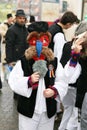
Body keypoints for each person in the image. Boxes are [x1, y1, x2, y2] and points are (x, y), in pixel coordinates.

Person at [8, 21, 81, 130]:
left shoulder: (53, 62)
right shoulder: (23, 62)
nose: (39, 45)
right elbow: (14, 81)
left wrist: (55, 90)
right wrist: (28, 81)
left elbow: (64, 79)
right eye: (35, 40)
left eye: (43, 40)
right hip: (28, 111)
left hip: (47, 111)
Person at [59, 21, 87, 130]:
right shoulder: (77, 48)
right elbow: (69, 71)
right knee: (74, 115)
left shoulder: (69, 45)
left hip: (73, 87)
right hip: (74, 87)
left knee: (70, 113)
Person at [5, 9, 29, 99]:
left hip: (24, 57)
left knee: (23, 77)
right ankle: (17, 95)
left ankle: (21, 94)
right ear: (16, 18)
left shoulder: (25, 29)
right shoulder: (11, 30)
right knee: (17, 77)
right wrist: (9, 60)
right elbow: (8, 46)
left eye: (23, 18)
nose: (22, 20)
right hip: (15, 58)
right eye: (20, 18)